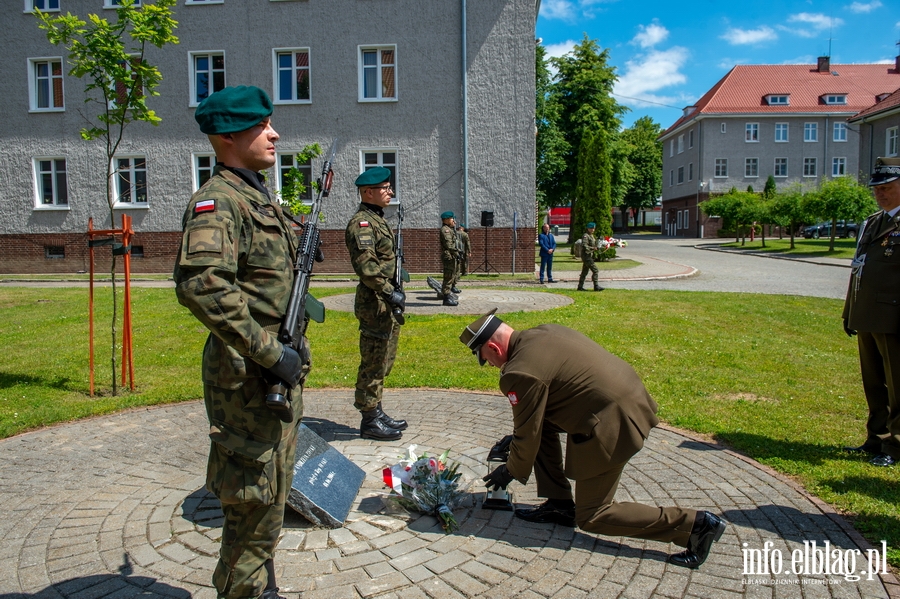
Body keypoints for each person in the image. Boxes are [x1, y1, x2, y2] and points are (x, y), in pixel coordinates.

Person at [459, 309, 727, 569]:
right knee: (542, 430)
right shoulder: (544, 332)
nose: (489, 365)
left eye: (484, 358)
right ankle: (559, 504)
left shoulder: (519, 372)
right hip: (627, 399)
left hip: (613, 424)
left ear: (493, 348)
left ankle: (695, 526)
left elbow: (528, 436)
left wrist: (509, 471)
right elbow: (534, 425)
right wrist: (515, 441)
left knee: (593, 515)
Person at [173, 85, 306, 599]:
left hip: (273, 374)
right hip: (250, 378)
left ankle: (260, 584)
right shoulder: (218, 202)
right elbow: (202, 285)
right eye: (261, 126)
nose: (274, 134)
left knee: (272, 495)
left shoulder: (255, 196)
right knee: (251, 505)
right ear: (228, 135)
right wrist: (272, 353)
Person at [843, 156, 900, 467]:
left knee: (899, 384)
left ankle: (897, 445)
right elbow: (859, 271)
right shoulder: (872, 222)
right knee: (874, 382)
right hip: (867, 316)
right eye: (877, 188)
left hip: (893, 319)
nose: (881, 193)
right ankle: (875, 439)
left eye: (888, 187)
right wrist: (849, 312)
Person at [345, 167, 408, 441]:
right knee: (372, 362)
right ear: (368, 192)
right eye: (385, 188)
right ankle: (369, 420)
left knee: (384, 361)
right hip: (375, 304)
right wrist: (389, 292)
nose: (390, 192)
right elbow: (367, 266)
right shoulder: (362, 224)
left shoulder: (377, 220)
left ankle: (377, 411)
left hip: (385, 304)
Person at [439, 211, 460, 306]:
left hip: (451, 255)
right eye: (452, 219)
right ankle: (446, 298)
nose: (453, 220)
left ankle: (448, 295)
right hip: (449, 255)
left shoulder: (449, 229)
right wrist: (456, 252)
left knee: (451, 276)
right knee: (448, 276)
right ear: (447, 220)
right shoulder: (445, 230)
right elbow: (449, 244)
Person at [577, 222, 603, 291]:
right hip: (586, 256)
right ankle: (596, 286)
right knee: (595, 270)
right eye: (591, 228)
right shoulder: (586, 235)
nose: (593, 230)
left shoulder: (591, 236)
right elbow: (584, 245)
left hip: (589, 256)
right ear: (588, 228)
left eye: (593, 228)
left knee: (584, 272)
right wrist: (593, 248)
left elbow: (594, 244)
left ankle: (580, 286)